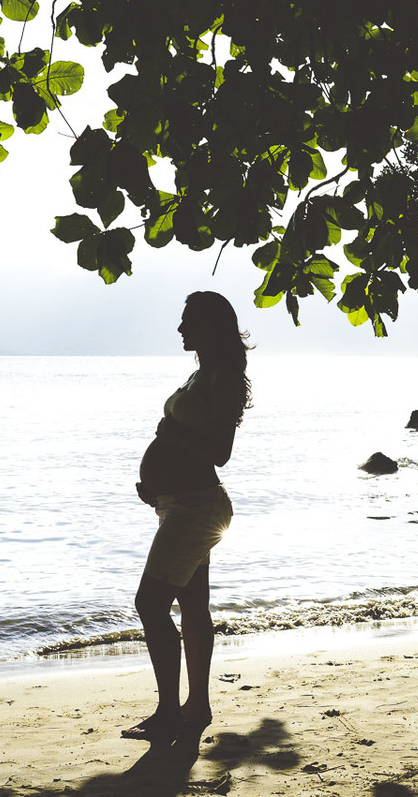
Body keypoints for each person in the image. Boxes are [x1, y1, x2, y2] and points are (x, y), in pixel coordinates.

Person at [122, 291, 252, 744]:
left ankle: (168, 712)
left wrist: (171, 438)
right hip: (180, 504)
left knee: (149, 604)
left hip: (198, 507)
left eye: (187, 322)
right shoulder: (202, 375)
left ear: (208, 327)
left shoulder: (224, 379)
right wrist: (157, 485)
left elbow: (220, 452)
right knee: (192, 606)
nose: (180, 329)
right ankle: (196, 706)